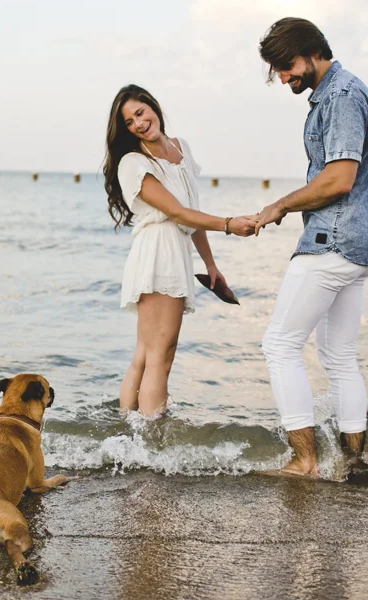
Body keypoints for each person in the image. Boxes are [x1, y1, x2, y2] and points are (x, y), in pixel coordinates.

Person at [253, 18, 368, 477]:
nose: (283, 78)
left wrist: (279, 206)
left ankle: (304, 461)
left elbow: (339, 178)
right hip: (359, 245)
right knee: (339, 356)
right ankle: (354, 461)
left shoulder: (341, 96)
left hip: (334, 241)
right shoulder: (344, 91)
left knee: (279, 345)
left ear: (313, 52)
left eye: (286, 66)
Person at [102, 84, 258, 416]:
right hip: (159, 251)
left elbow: (192, 211)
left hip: (175, 250)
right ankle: (149, 435)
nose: (139, 123)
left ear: (152, 106)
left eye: (140, 113)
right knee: (160, 355)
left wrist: (210, 264)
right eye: (129, 122)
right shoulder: (133, 162)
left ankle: (128, 430)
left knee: (148, 353)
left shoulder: (180, 147)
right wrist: (229, 224)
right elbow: (178, 213)